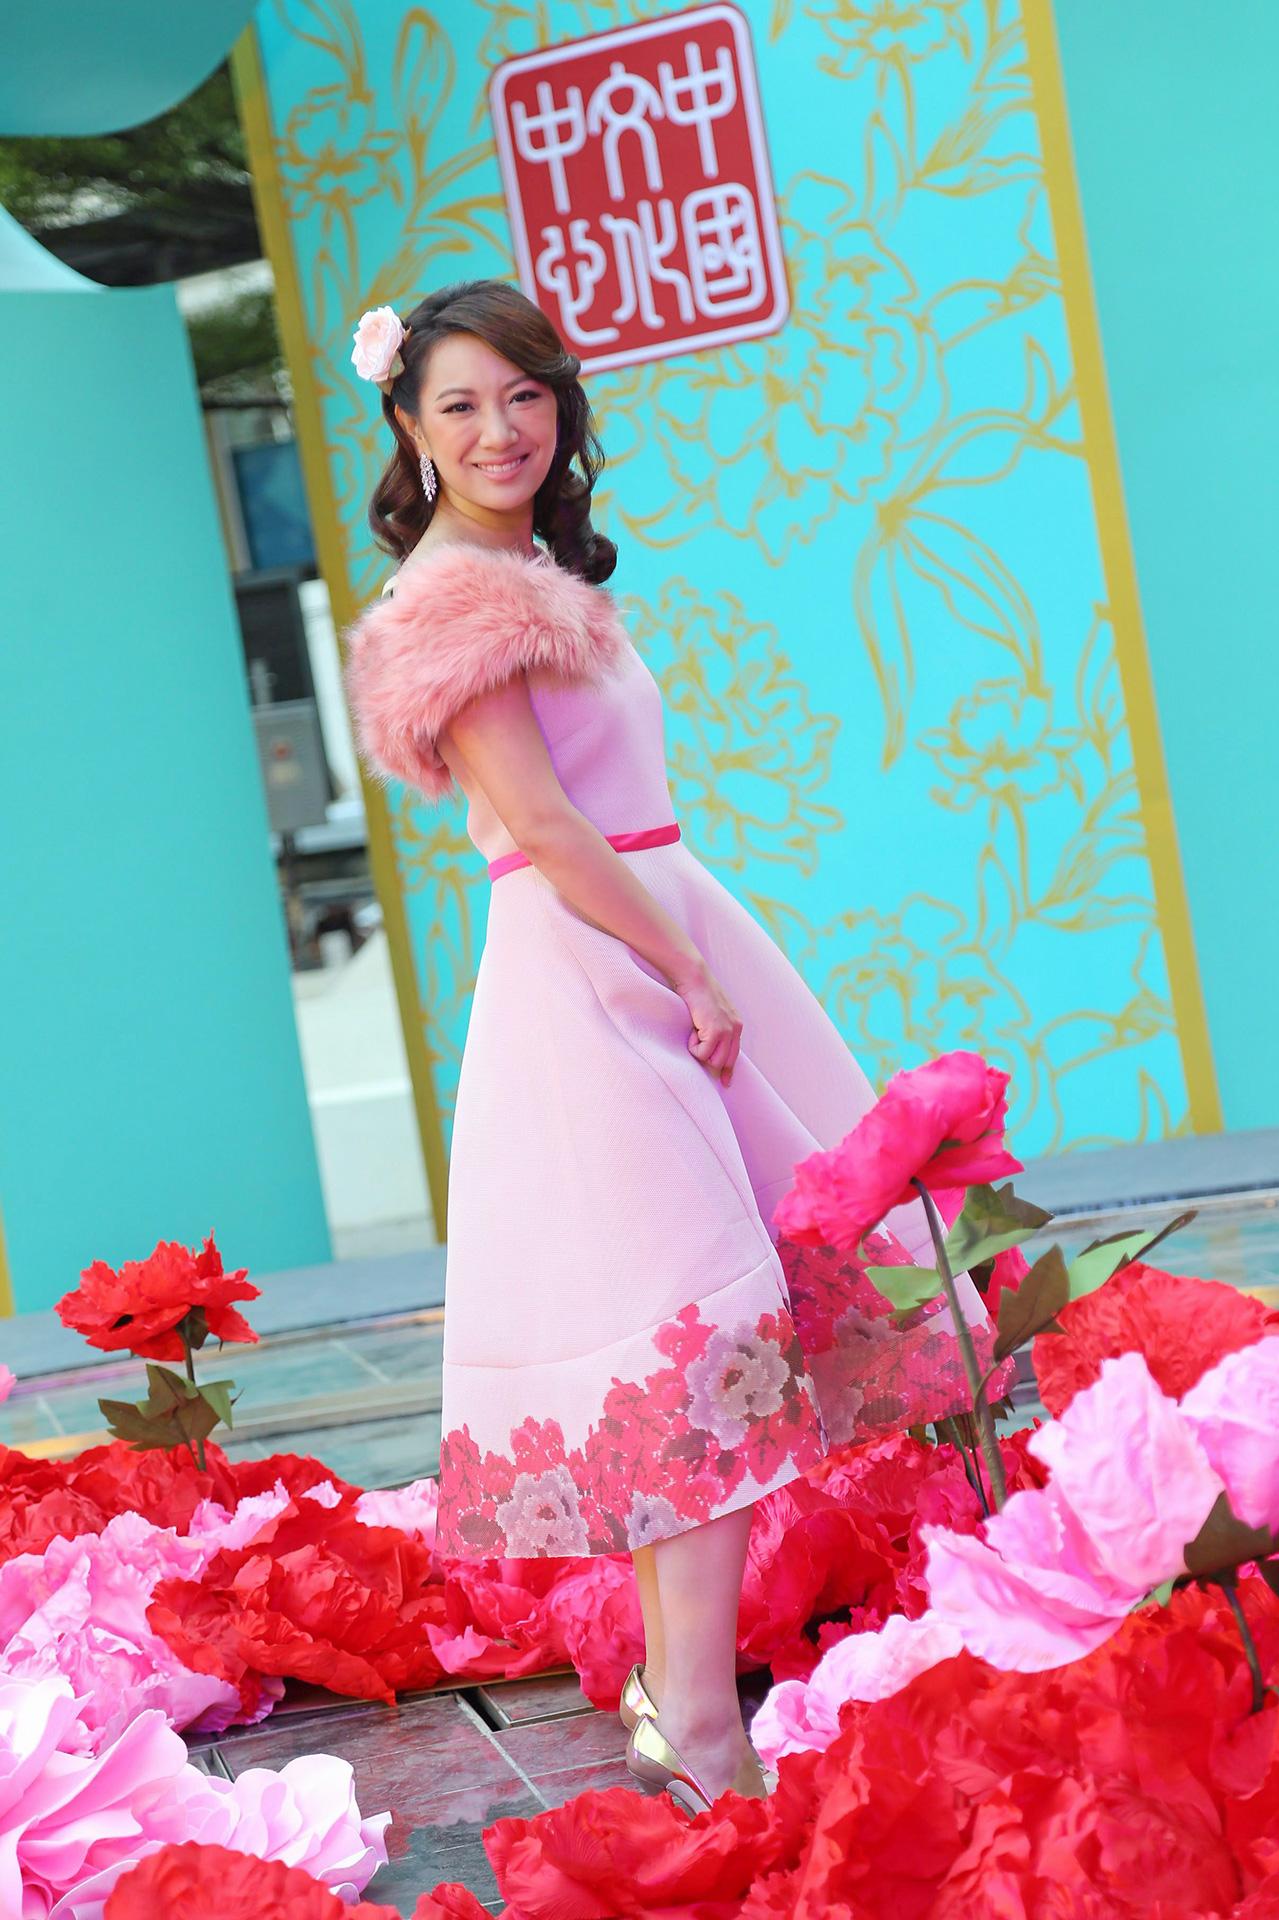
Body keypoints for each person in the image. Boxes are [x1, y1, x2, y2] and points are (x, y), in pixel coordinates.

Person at [341, 279, 1006, 1815]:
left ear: (560, 406)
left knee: (709, 1331)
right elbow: (545, 825)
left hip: (645, 936)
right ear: (409, 426)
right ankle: (699, 1727)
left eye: (524, 395)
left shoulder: (525, 571)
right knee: (695, 1341)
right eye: (460, 405)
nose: (500, 430)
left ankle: (681, 1699)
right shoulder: (456, 601)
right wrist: (687, 970)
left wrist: (692, 956)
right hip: (599, 975)